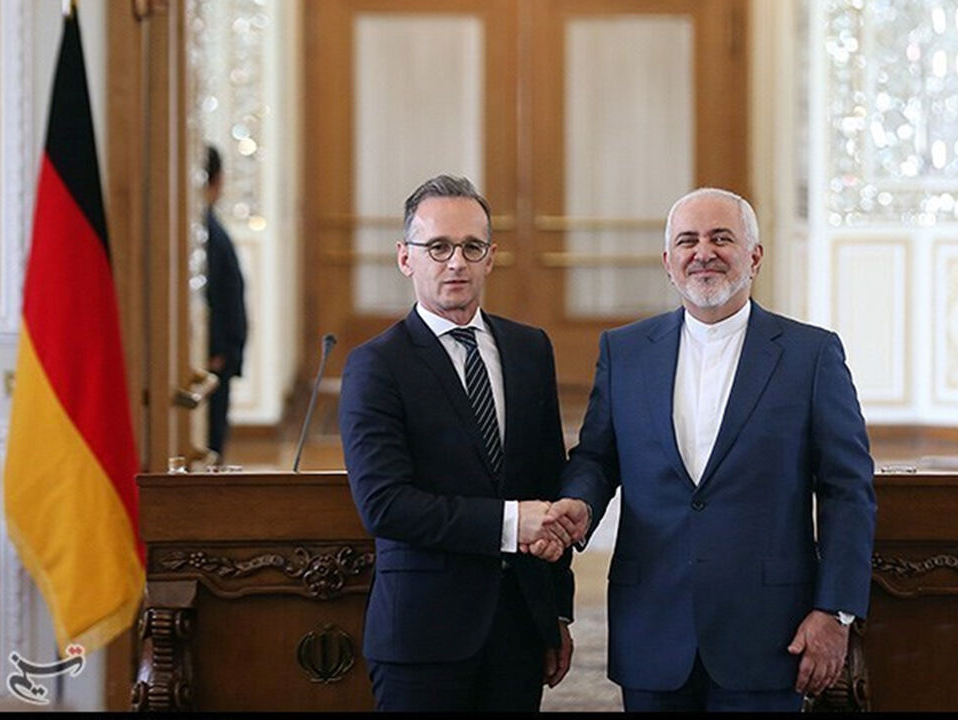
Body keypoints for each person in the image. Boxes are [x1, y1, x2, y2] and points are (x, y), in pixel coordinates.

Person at [544, 187, 876, 712]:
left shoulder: (811, 356)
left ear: (755, 256)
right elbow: (597, 457)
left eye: (722, 238)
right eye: (687, 241)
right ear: (668, 262)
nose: (703, 252)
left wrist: (835, 612)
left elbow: (847, 491)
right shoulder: (624, 351)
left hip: (769, 632)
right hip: (651, 622)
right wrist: (581, 503)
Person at [338, 175, 575, 711]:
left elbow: (547, 483)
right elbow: (384, 505)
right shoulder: (377, 365)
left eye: (472, 247)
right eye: (438, 247)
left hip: (518, 630)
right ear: (405, 258)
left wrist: (555, 612)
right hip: (422, 638)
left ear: (491, 258)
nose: (456, 263)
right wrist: (512, 524)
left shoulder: (529, 349)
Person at [204, 145, 247, 461]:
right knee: (210, 445)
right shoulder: (207, 233)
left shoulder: (210, 230)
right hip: (214, 357)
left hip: (218, 357)